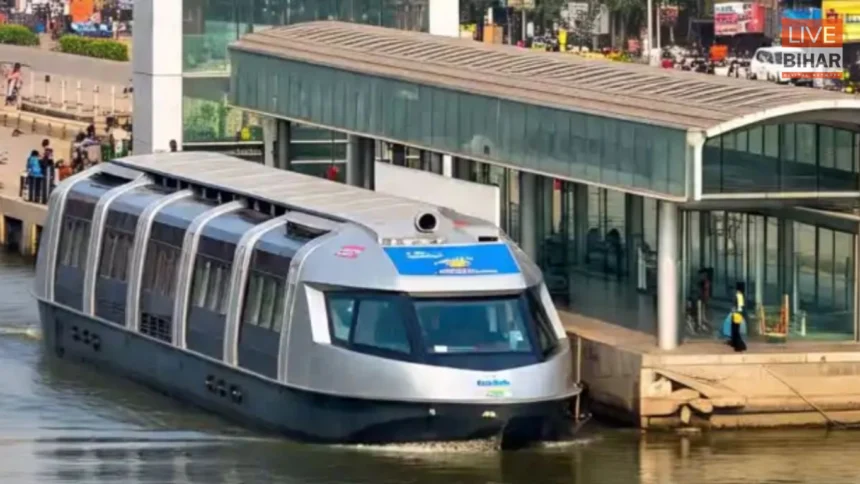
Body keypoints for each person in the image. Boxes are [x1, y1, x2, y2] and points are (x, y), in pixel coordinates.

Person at [730, 282, 747, 352]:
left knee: (735, 330)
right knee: (735, 330)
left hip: (737, 314)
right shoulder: (740, 295)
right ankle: (737, 344)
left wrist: (736, 311)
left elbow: (740, 306)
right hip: (737, 314)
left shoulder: (739, 295)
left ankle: (739, 345)